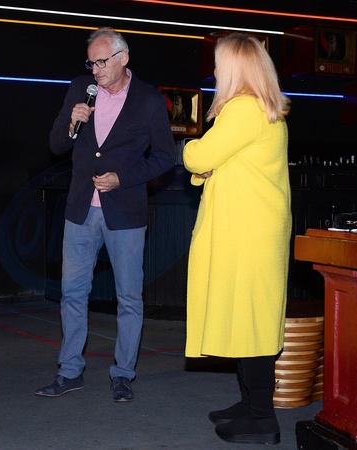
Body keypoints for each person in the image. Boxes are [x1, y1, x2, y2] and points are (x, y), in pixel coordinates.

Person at [35, 27, 175, 402]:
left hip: (125, 212)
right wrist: (71, 124)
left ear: (123, 58)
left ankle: (123, 374)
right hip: (80, 209)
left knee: (128, 298)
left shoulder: (149, 99)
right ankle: (69, 371)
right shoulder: (79, 88)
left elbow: (165, 157)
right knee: (72, 294)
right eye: (91, 63)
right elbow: (55, 145)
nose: (95, 70)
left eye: (101, 62)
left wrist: (123, 178)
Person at [183, 33, 291, 444]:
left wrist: (193, 152)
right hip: (253, 231)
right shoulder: (261, 109)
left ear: (236, 69)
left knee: (252, 324)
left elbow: (198, 156)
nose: (214, 71)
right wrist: (206, 165)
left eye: (219, 64)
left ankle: (263, 418)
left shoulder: (244, 109)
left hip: (247, 234)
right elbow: (218, 164)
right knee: (248, 320)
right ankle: (250, 405)